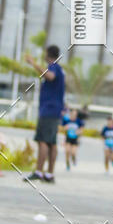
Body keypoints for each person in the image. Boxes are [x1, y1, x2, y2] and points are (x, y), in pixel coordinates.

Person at [23, 44, 65, 184]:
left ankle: (39, 172)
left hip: (49, 109)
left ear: (48, 55)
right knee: (52, 142)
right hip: (55, 110)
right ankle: (49, 174)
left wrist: (33, 63)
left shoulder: (53, 67)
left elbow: (50, 76)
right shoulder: (60, 69)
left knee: (43, 141)